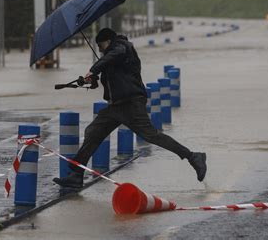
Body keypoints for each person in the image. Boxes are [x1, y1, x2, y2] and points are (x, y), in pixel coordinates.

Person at [53, 28, 207, 188]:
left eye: (100, 45)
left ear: (108, 41)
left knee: (151, 135)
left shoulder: (123, 47)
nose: (99, 49)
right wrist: (90, 80)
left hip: (131, 103)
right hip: (115, 106)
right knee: (93, 132)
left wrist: (93, 69)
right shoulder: (110, 58)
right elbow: (106, 81)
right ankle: (76, 175)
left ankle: (193, 156)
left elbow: (113, 56)